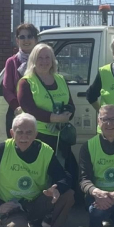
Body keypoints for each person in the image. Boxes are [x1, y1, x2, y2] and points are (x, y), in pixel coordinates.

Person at [17, 42, 78, 183]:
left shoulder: (60, 79)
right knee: (43, 176)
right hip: (38, 136)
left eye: (47, 58)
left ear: (52, 60)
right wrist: (53, 118)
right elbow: (29, 109)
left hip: (60, 136)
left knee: (69, 175)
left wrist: (67, 115)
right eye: (40, 58)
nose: (44, 61)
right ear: (33, 60)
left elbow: (70, 105)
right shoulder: (26, 82)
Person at [2, 23, 39, 137]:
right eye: (22, 37)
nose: (26, 40)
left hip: (40, 112)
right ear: (17, 41)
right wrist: (17, 107)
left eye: (30, 36)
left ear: (36, 39)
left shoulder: (42, 60)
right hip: (17, 113)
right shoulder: (11, 62)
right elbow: (6, 89)